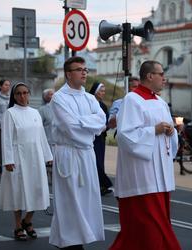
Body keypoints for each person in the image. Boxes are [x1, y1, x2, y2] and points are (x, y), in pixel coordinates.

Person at [110, 60, 181, 250]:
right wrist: (153, 130)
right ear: (150, 76)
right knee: (147, 228)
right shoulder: (132, 100)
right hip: (142, 176)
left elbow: (168, 135)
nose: (164, 78)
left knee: (158, 224)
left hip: (161, 174)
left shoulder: (160, 102)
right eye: (161, 74)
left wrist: (171, 131)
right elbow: (125, 135)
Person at [49, 56, 106, 250]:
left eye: (85, 69)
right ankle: (69, 242)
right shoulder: (59, 98)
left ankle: (79, 238)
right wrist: (87, 125)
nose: (84, 72)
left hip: (86, 154)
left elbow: (101, 122)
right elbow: (69, 127)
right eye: (79, 69)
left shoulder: (90, 98)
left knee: (86, 198)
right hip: (68, 154)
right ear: (68, 74)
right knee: (69, 199)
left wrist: (83, 123)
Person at [0, 82, 53, 241]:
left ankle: (27, 220)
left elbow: (41, 136)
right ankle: (17, 226)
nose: (22, 96)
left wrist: (48, 156)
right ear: (14, 96)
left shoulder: (35, 112)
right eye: (18, 94)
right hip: (18, 157)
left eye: (25, 93)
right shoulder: (10, 113)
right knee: (18, 192)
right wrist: (8, 159)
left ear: (29, 94)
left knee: (37, 190)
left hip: (35, 157)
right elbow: (6, 138)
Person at [89, 82, 113, 196]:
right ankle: (103, 183)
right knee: (94, 162)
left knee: (100, 161)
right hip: (92, 137)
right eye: (101, 91)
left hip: (101, 138)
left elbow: (106, 120)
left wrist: (108, 126)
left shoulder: (103, 105)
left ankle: (101, 185)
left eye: (104, 91)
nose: (103, 93)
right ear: (95, 92)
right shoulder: (89, 103)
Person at [38, 88, 55, 184]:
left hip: (57, 141)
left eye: (53, 94)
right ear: (45, 97)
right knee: (48, 161)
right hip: (47, 139)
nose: (53, 96)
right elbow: (39, 126)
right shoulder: (42, 110)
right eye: (50, 94)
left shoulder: (59, 108)